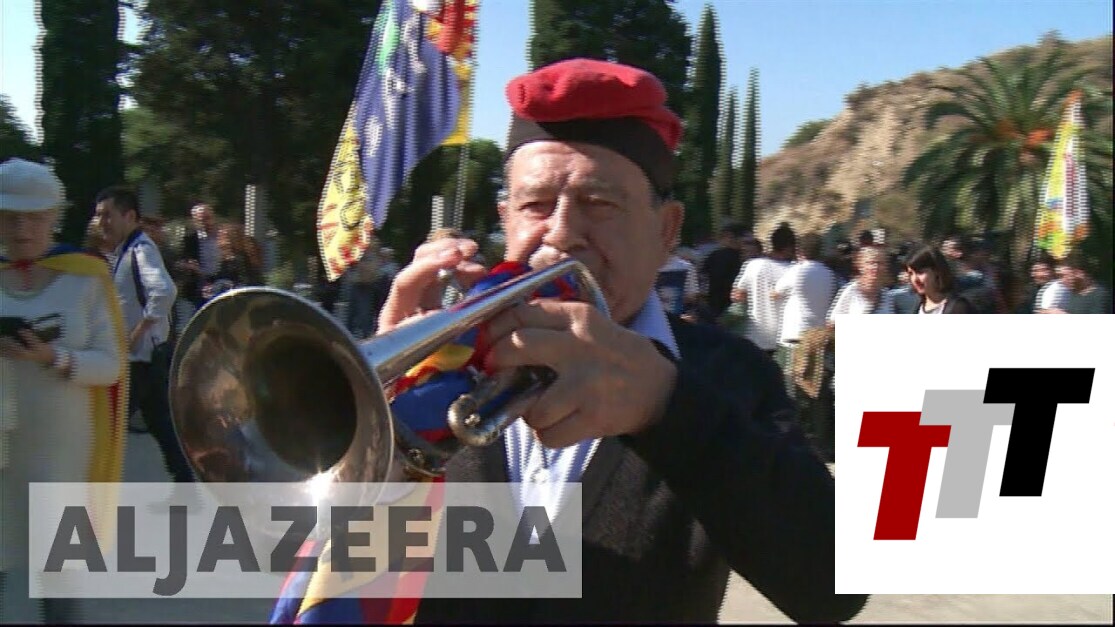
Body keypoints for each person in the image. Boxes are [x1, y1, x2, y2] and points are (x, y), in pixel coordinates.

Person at [374, 59, 866, 623]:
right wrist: (378, 422)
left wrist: (668, 408)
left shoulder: (731, 373)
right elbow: (361, 565)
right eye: (535, 206)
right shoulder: (448, 361)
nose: (561, 233)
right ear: (506, 219)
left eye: (599, 204)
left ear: (666, 230)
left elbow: (833, 588)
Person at [0, 158, 128, 623]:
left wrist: (53, 356)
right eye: (10, 217)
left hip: (60, 456)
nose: (22, 228)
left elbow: (111, 366)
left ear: (54, 217)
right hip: (3, 451)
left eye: (34, 217)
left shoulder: (86, 278)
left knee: (59, 587)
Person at [95, 185, 193, 484]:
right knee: (161, 425)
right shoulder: (125, 251)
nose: (101, 222)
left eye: (108, 215)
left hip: (140, 358)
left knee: (107, 426)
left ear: (129, 216)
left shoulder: (140, 249)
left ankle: (91, 489)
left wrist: (136, 334)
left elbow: (164, 292)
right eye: (98, 215)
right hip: (143, 358)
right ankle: (186, 485)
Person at [731, 222, 795, 355]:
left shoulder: (753, 265)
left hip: (756, 334)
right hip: (784, 338)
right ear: (790, 247)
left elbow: (737, 296)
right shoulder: (795, 270)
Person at [903, 244, 974, 314]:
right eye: (911, 273)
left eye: (920, 272)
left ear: (937, 271)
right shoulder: (917, 309)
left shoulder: (959, 307)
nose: (915, 279)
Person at [177, 203, 221, 307]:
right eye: (201, 220)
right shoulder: (190, 239)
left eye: (208, 218)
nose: (207, 223)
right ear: (195, 221)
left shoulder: (222, 237)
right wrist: (188, 265)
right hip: (199, 286)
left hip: (220, 283)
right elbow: (181, 261)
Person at [1044, 252, 1112, 315]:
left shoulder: (1100, 296)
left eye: (1062, 276)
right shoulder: (1069, 292)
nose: (1060, 281)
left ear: (1079, 273)